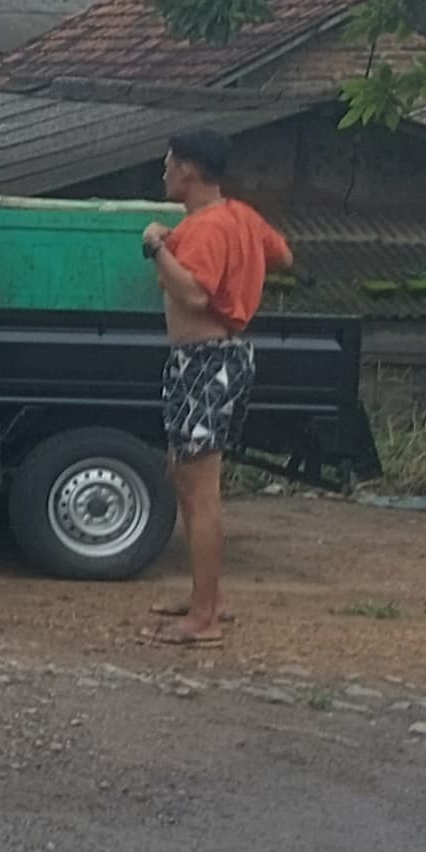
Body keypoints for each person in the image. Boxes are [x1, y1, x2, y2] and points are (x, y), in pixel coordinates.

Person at [142, 128, 296, 649]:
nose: (164, 172)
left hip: (204, 361)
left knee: (200, 491)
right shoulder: (238, 217)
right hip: (221, 358)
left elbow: (193, 293)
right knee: (189, 482)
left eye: (169, 163)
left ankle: (204, 618)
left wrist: (155, 246)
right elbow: (282, 256)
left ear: (187, 169)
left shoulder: (206, 227)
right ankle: (207, 598)